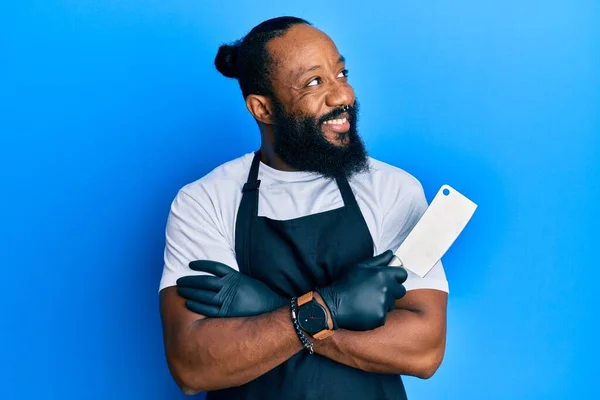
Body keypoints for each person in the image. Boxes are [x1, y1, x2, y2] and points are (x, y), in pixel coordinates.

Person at [158, 16, 449, 400]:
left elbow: (424, 351)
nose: (343, 96)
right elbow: (193, 366)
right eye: (314, 82)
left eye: (341, 73)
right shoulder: (204, 201)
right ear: (262, 108)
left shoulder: (393, 189)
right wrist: (328, 306)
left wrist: (278, 310)